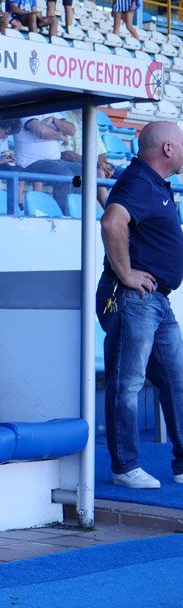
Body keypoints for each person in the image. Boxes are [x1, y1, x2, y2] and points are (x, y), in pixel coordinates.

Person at [96, 121, 183, 489]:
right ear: (166, 149)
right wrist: (127, 273)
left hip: (156, 300)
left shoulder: (152, 183)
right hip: (135, 298)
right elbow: (112, 223)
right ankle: (125, 466)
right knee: (127, 382)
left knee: (176, 381)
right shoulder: (139, 181)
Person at [15, 115, 82, 211]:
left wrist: (55, 120)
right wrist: (60, 135)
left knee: (81, 172)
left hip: (56, 161)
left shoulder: (52, 112)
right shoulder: (28, 111)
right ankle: (64, 212)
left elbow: (72, 130)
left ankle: (76, 210)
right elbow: (42, 131)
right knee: (65, 175)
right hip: (32, 163)